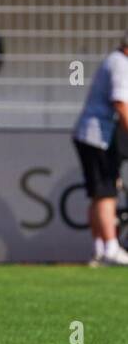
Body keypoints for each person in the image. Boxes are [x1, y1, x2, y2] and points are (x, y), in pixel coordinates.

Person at [72, 33, 128, 266]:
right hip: (99, 137)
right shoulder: (121, 64)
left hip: (89, 135)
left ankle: (99, 249)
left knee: (98, 194)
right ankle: (112, 247)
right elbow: (121, 104)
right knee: (106, 193)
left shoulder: (114, 61)